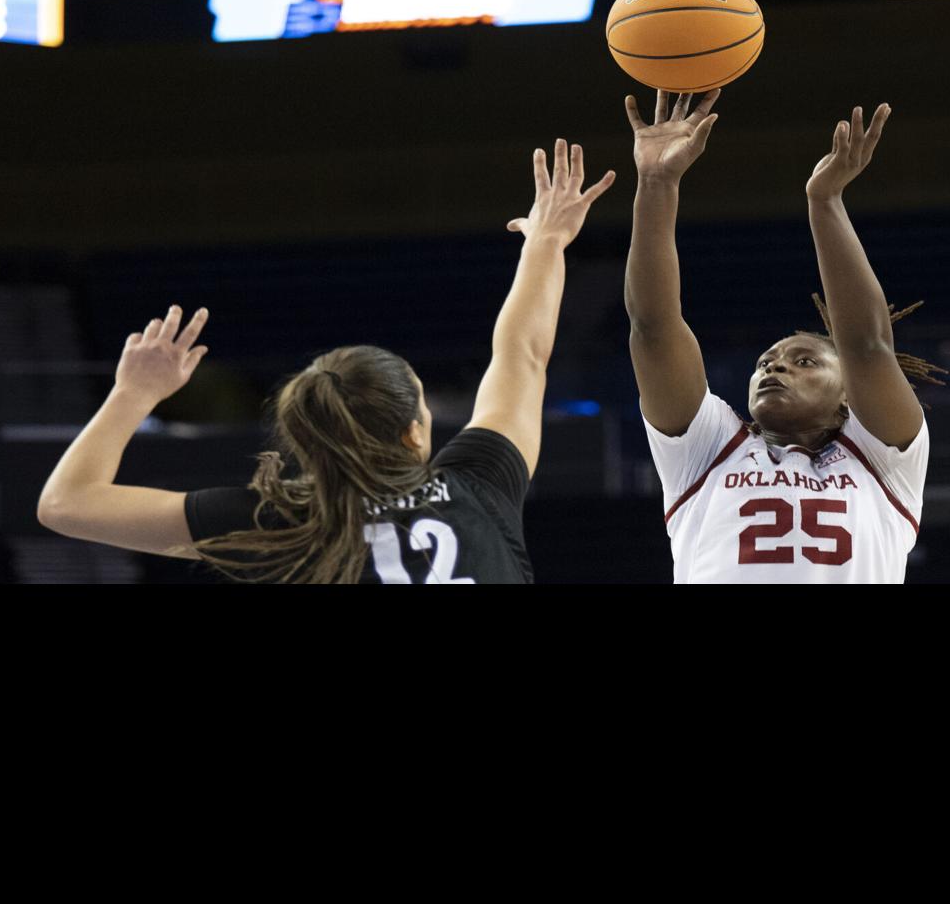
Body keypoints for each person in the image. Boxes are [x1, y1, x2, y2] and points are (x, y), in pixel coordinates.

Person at [37, 140, 616, 583]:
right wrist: (546, 242)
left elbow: (65, 504)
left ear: (308, 450)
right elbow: (521, 356)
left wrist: (132, 395)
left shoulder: (273, 521)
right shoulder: (479, 486)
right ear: (416, 433)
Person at [621, 90, 944, 583]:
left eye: (805, 362)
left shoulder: (885, 461)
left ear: (847, 398)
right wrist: (656, 182)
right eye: (766, 362)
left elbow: (867, 346)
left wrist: (825, 201)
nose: (774, 367)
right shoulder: (705, 450)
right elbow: (653, 326)